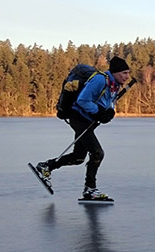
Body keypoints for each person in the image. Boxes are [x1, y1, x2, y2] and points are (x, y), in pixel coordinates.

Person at [35, 56, 131, 200]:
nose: (127, 77)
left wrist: (109, 113)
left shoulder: (114, 85)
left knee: (79, 157)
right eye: (124, 73)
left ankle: (46, 167)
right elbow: (83, 100)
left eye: (128, 73)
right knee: (97, 153)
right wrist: (98, 112)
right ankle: (90, 190)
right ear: (115, 72)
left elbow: (107, 103)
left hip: (87, 120)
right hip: (78, 117)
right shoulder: (100, 80)